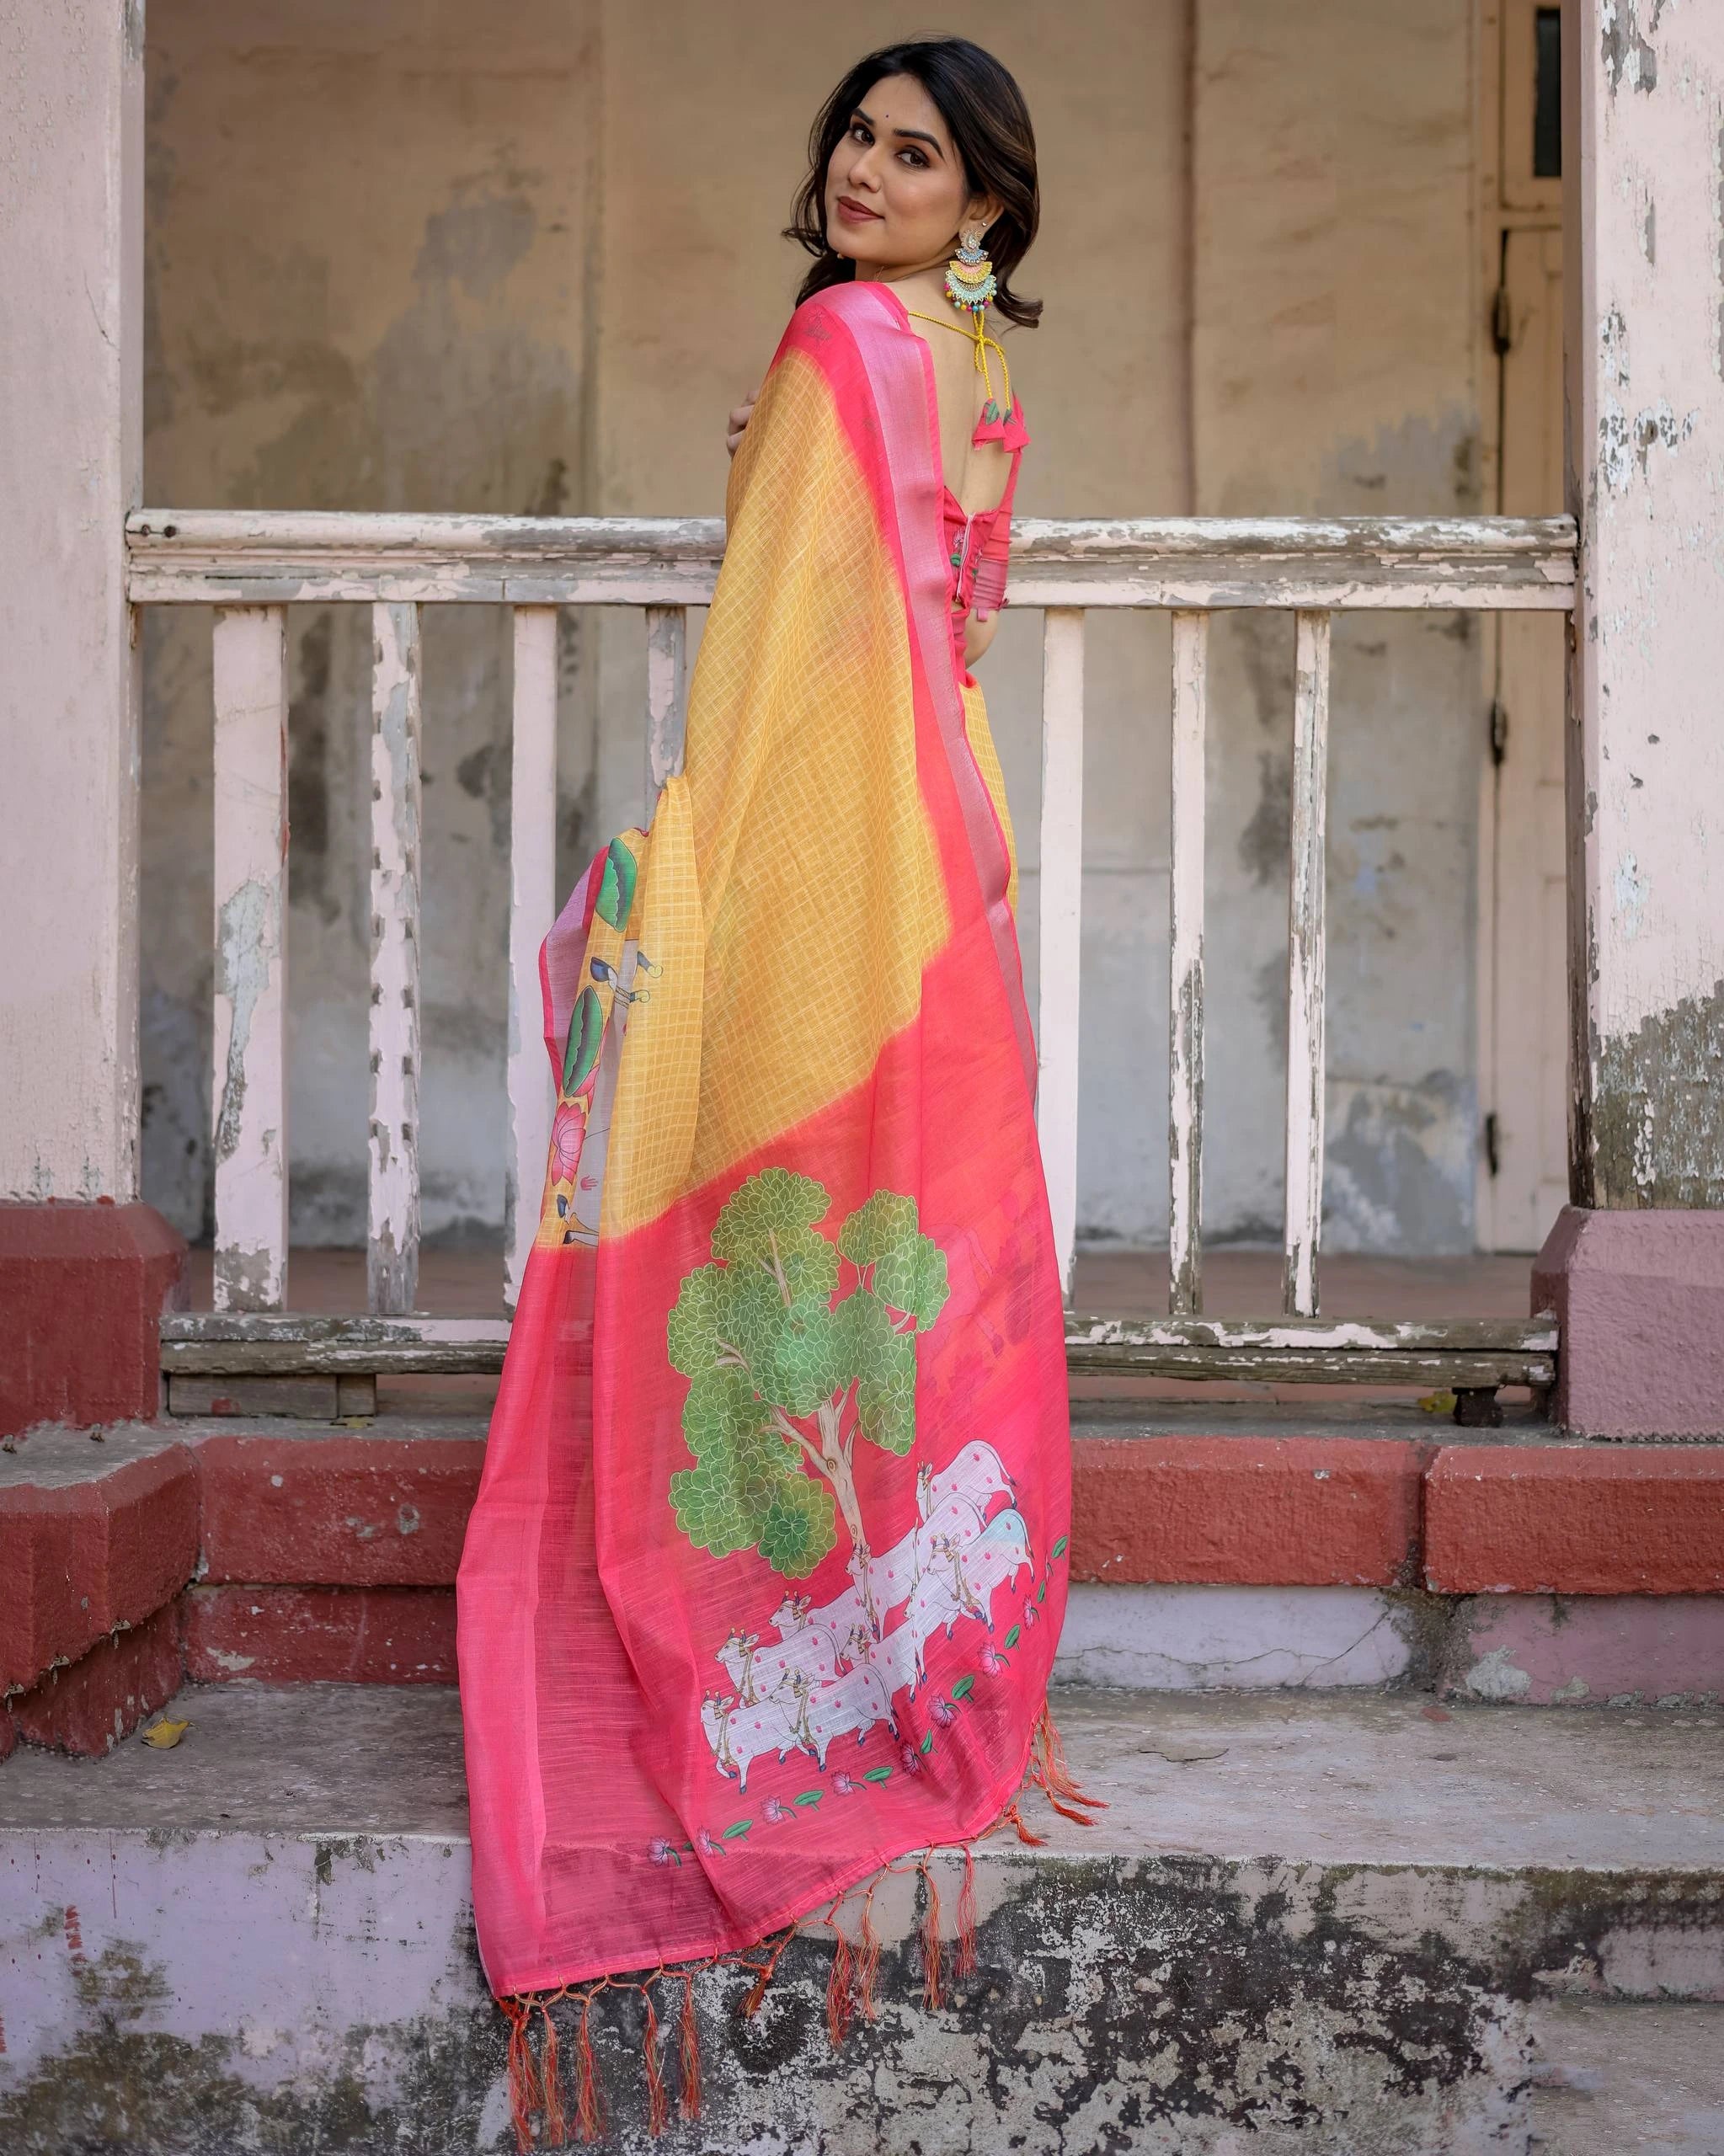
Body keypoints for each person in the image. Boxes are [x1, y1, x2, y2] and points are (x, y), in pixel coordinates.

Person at [457, 37, 1089, 2137]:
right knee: (907, 1215)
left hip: (830, 851)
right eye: (857, 133)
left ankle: (763, 1644)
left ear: (984, 205)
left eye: (920, 155)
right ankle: (896, 1655)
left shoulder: (842, 341)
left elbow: (765, 653)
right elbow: (931, 617)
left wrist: (690, 853)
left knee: (762, 1202)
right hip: (941, 833)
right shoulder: (970, 368)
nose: (867, 169)